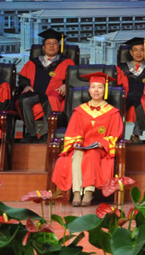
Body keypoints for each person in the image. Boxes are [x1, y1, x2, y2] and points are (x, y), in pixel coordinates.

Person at [51, 72, 123, 206]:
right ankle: (77, 192)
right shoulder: (80, 111)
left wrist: (102, 143)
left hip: (100, 149)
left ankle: (89, 191)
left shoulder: (113, 113)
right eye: (93, 87)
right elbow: (73, 131)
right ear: (89, 90)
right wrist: (78, 142)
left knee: (92, 154)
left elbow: (115, 134)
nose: (96, 90)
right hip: (82, 146)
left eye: (100, 87)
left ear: (105, 90)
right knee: (77, 154)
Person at [18, 29, 75, 143]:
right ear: (43, 47)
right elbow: (23, 78)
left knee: (51, 99)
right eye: (48, 43)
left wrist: (65, 85)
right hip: (36, 93)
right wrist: (26, 86)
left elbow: (73, 78)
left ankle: (46, 134)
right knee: (24, 100)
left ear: (59, 46)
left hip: (55, 94)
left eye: (55, 43)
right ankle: (31, 134)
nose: (51, 46)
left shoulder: (67, 62)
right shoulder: (33, 63)